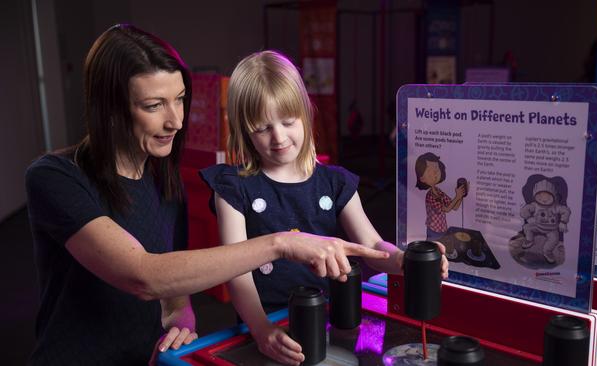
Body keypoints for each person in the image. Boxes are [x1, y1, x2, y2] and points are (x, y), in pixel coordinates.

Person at [25, 25, 388, 366]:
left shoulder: (162, 181)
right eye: (154, 106)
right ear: (110, 109)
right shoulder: (55, 178)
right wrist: (281, 244)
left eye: (180, 99)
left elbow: (172, 285)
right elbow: (143, 276)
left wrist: (181, 314)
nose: (176, 121)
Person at [200, 50, 449, 366]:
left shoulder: (335, 182)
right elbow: (236, 270)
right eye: (262, 128)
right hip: (263, 325)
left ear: (305, 114)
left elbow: (371, 245)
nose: (278, 137)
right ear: (244, 130)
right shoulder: (233, 187)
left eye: (288, 122)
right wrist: (262, 330)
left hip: (327, 320)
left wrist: (405, 260)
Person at [414, 152, 467, 250]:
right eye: (430, 170)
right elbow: (446, 209)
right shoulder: (430, 196)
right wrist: (457, 196)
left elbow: (454, 207)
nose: (435, 172)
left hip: (443, 230)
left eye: (437, 169)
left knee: (442, 252)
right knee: (431, 250)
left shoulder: (439, 191)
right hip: (433, 231)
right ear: (422, 178)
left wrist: (460, 196)